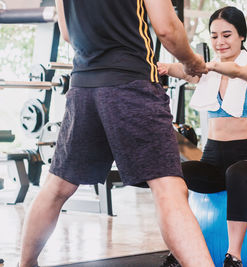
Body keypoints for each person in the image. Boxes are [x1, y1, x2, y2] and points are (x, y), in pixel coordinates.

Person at [18, 1, 215, 267]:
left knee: (57, 187)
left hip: (84, 86)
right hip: (131, 82)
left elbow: (66, 33)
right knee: (169, 189)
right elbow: (167, 29)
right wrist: (191, 62)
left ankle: (25, 264)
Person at [158, 6, 247, 267]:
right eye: (215, 36)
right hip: (213, 159)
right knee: (174, 176)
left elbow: (240, 72)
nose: (220, 42)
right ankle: (180, 250)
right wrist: (160, 67)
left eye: (227, 35)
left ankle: (233, 257)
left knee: (236, 174)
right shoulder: (206, 72)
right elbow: (178, 69)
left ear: (241, 35)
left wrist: (205, 66)